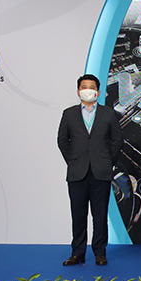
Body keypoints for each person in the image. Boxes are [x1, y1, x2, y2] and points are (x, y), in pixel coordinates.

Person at [57, 74, 122, 266]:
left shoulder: (108, 113)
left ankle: (100, 253)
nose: (88, 90)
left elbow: (117, 140)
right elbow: (62, 141)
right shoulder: (68, 114)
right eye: (84, 87)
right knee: (78, 215)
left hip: (101, 171)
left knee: (100, 215)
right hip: (77, 172)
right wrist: (73, 160)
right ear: (78, 91)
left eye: (91, 87)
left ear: (98, 92)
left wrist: (107, 161)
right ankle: (77, 253)